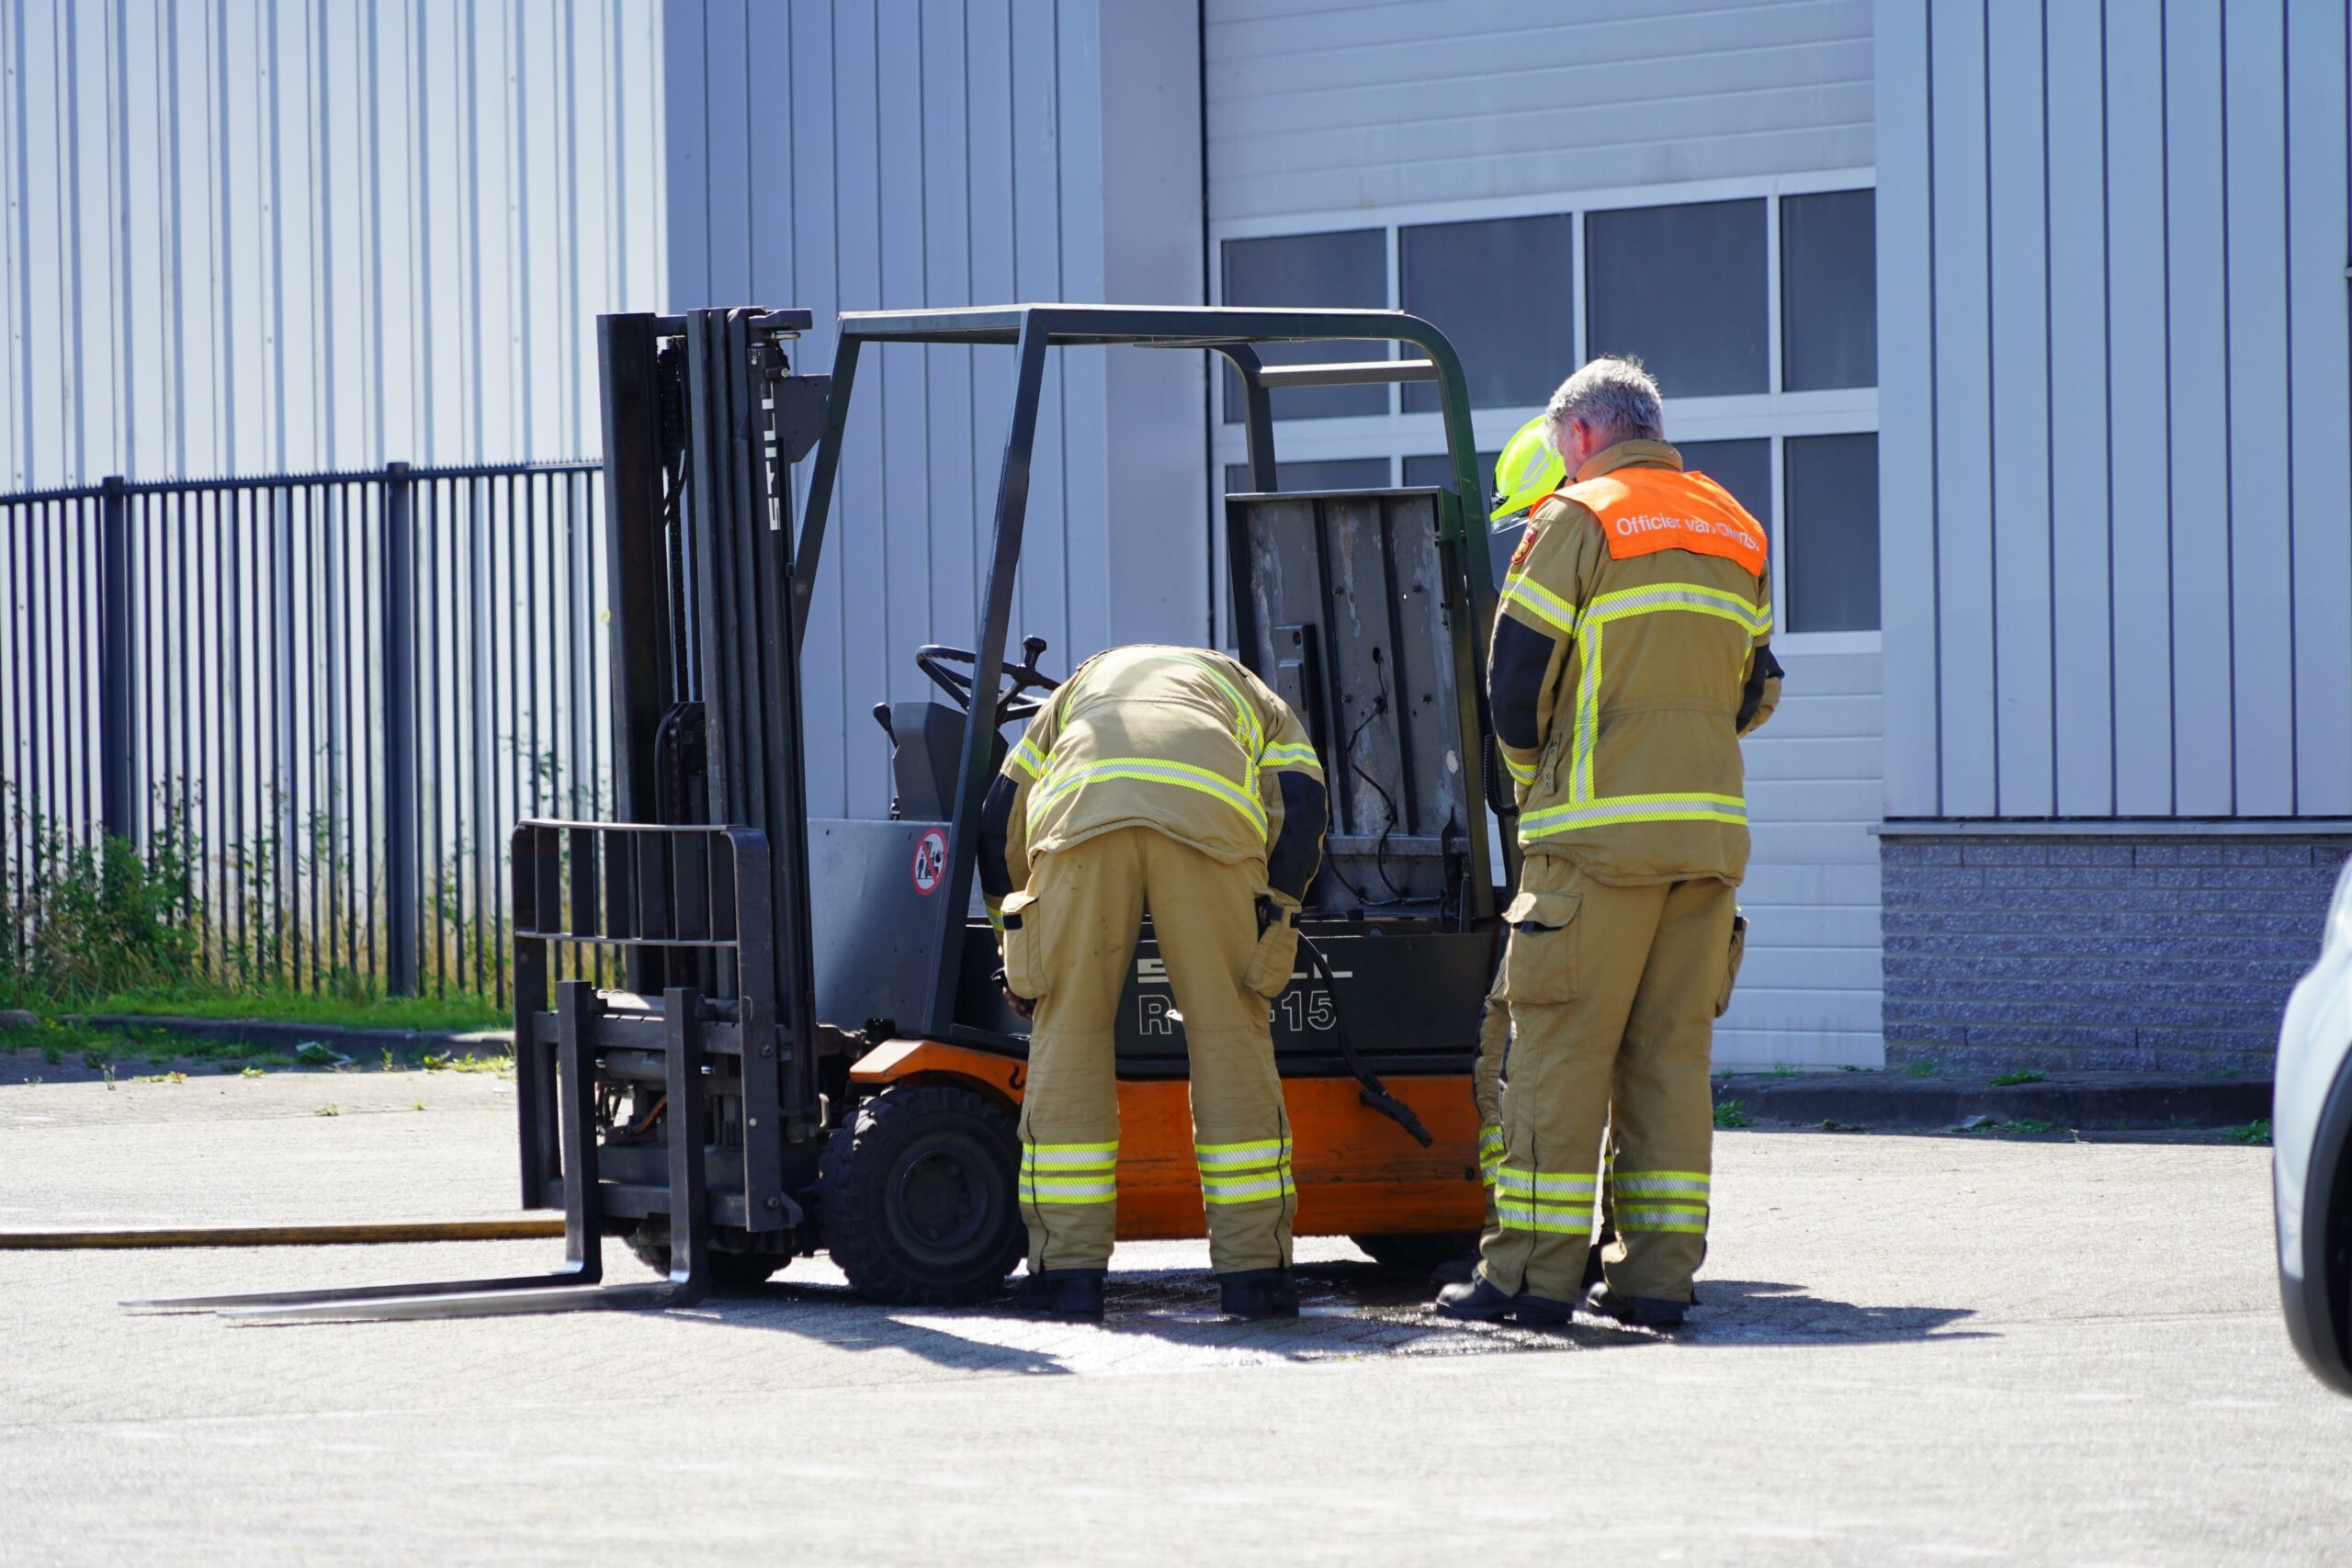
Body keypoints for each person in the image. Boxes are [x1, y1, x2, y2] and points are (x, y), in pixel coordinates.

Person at [1437, 359, 1782, 1328]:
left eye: (1558, 451)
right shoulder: (1732, 523)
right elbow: (1757, 688)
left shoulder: (1579, 519)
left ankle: (1528, 1281)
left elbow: (1515, 685)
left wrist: (1531, 784)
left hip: (1591, 842)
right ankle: (1656, 1281)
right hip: (1708, 839)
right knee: (1669, 1060)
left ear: (1581, 436)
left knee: (1555, 1054)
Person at [979, 644, 1329, 1322]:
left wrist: (1012, 941)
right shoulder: (1251, 694)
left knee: (1069, 1039)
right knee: (1231, 1041)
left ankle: (1066, 1276)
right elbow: (1304, 803)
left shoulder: (1077, 690)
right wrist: (1277, 910)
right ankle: (1256, 1276)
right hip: (1211, 827)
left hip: (1079, 825)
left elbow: (1000, 818)